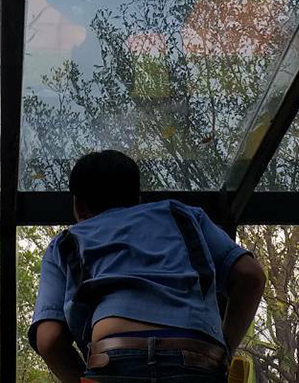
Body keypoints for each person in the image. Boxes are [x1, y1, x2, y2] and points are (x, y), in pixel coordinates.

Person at [29, 149, 267, 382]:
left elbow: (49, 340)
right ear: (137, 199)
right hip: (197, 359)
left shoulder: (65, 243)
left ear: (79, 207)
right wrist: (225, 350)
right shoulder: (181, 216)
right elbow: (251, 276)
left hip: (113, 360)